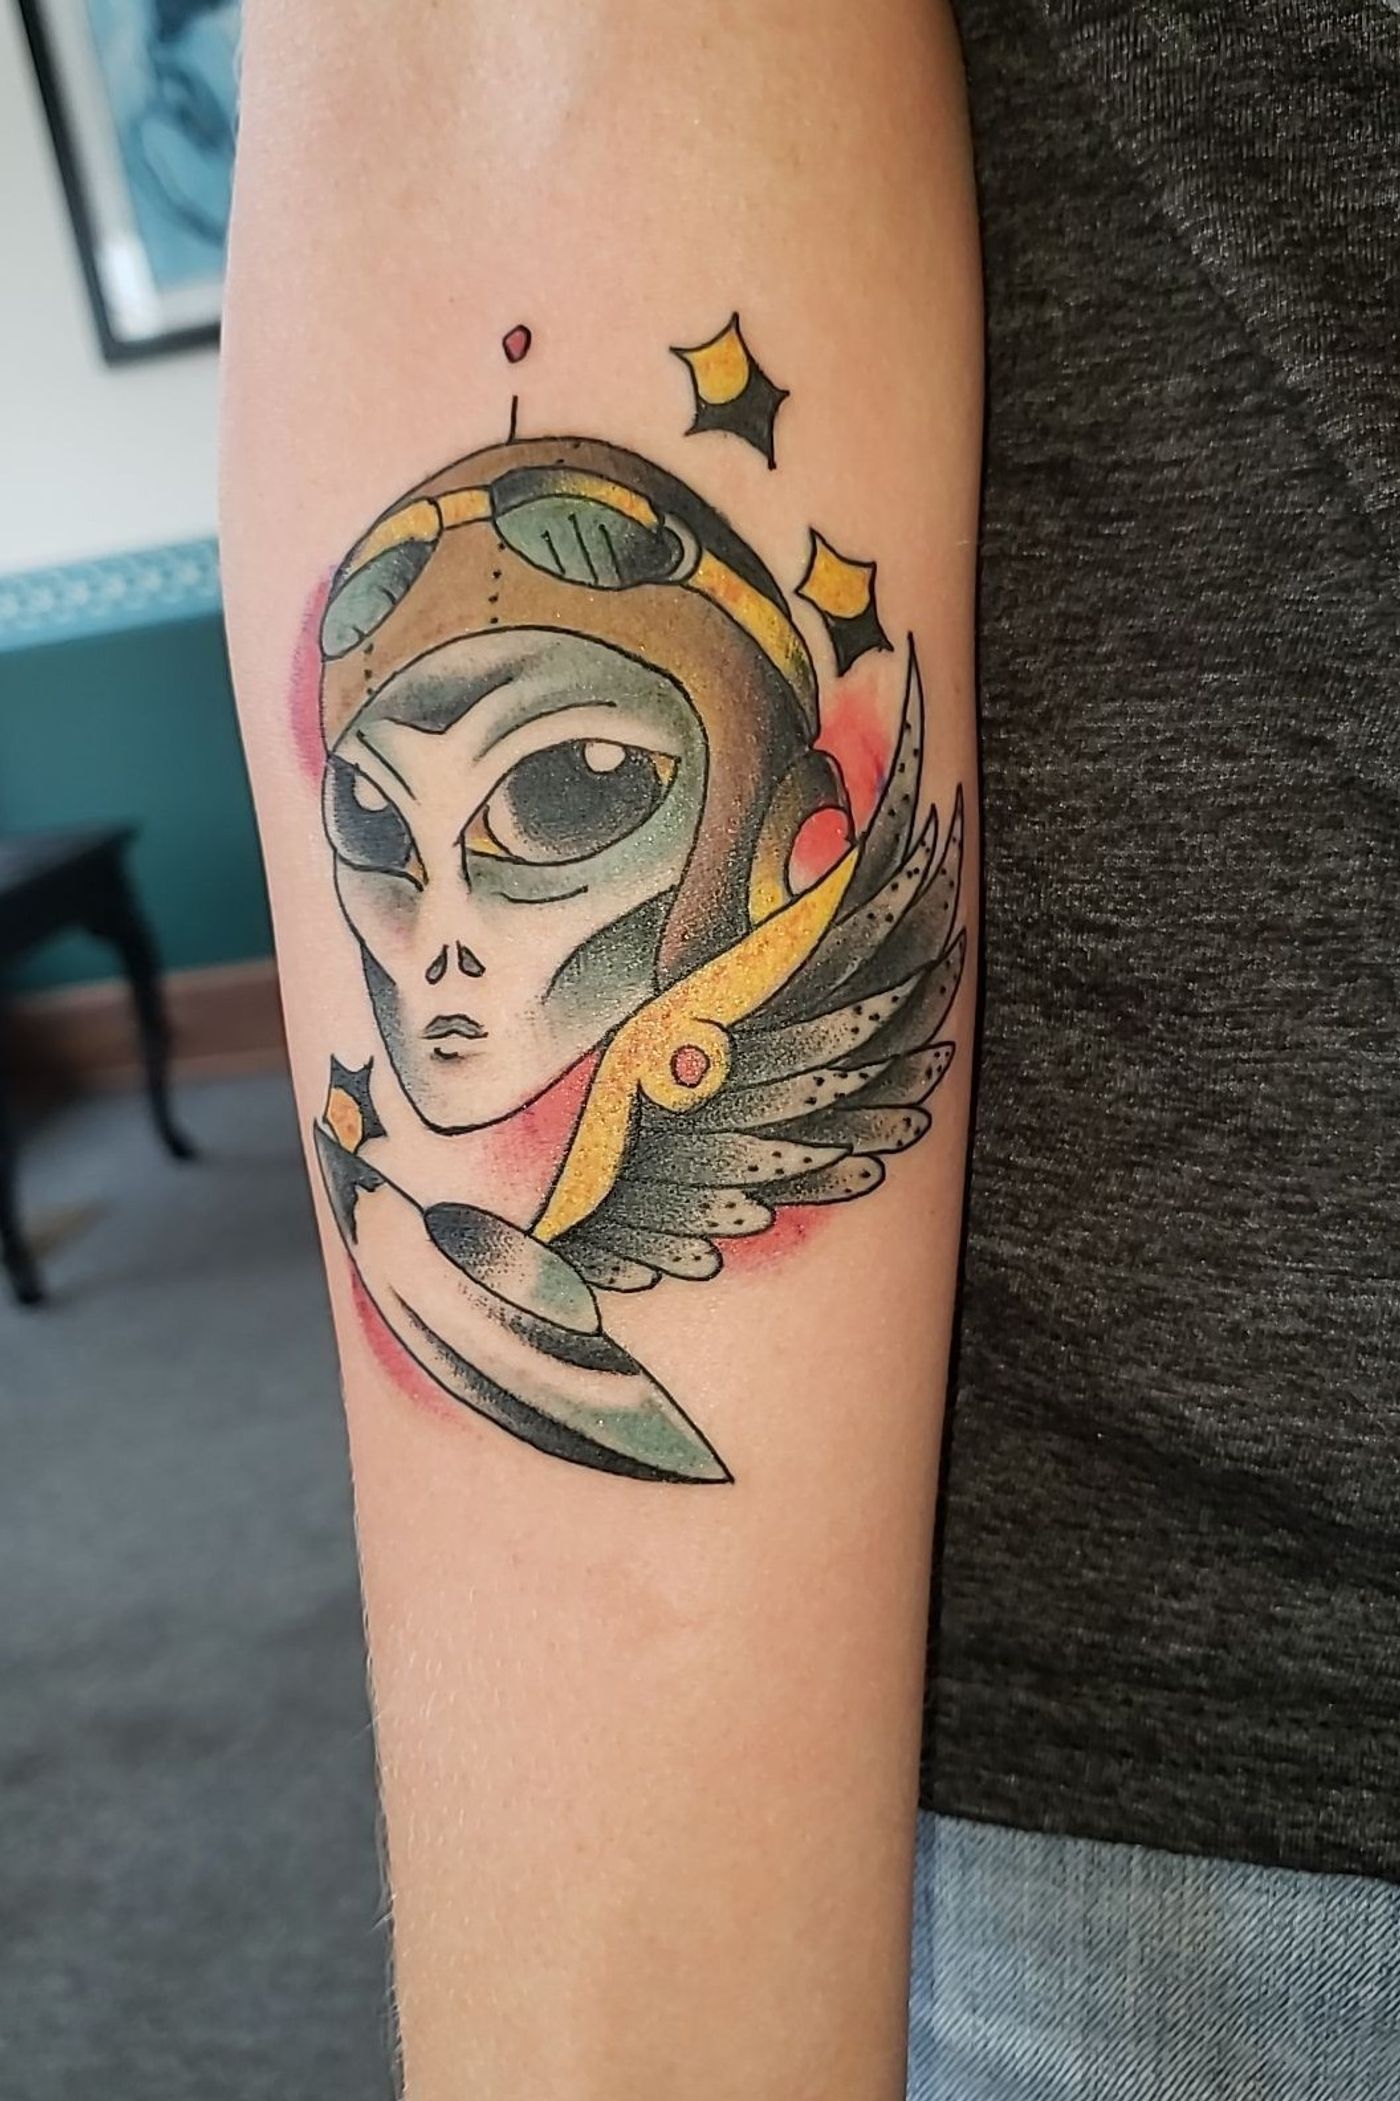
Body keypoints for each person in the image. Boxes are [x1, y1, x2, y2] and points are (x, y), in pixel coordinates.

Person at [222, 4, 979, 2092]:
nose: (439, 940)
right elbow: (507, 85)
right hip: (1014, 1799)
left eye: (563, 793)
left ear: (787, 838)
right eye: (378, 824)